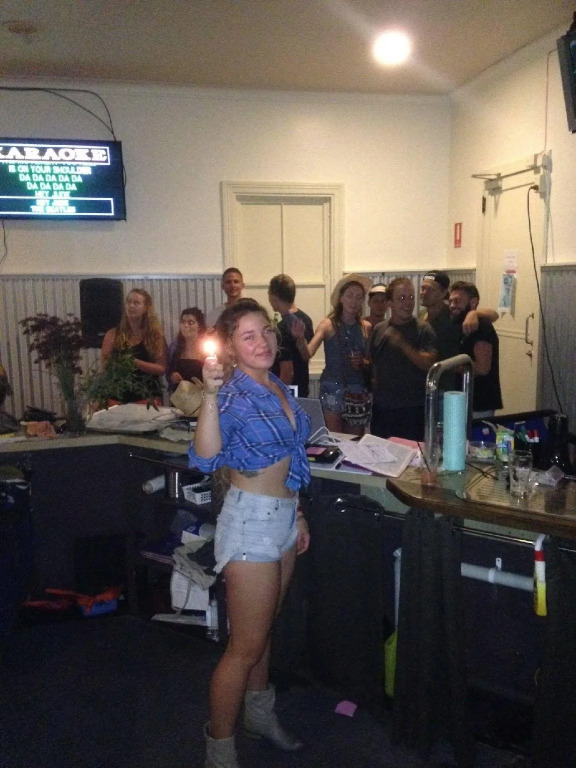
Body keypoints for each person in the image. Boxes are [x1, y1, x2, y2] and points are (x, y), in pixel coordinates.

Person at [189, 298, 311, 768]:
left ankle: (259, 717)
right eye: (248, 336)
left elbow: (291, 458)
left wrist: (298, 514)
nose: (262, 342)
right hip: (251, 524)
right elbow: (204, 458)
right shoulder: (231, 394)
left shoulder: (275, 384)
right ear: (232, 349)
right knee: (243, 649)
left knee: (262, 634)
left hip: (283, 518)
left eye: (266, 331)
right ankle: (219, 751)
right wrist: (209, 394)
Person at [297, 273, 372, 436]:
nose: (354, 301)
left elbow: (371, 362)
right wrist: (300, 338)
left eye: (359, 297)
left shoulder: (366, 327)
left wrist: (362, 362)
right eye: (350, 295)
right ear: (341, 298)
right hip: (332, 387)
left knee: (355, 441)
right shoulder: (327, 325)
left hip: (357, 389)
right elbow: (307, 353)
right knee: (335, 439)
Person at [369, 277, 437, 440]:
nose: (408, 303)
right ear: (389, 303)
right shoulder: (379, 329)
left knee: (411, 454)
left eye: (411, 297)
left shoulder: (423, 329)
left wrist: (402, 344)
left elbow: (429, 363)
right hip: (382, 408)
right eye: (401, 298)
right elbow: (373, 363)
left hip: (412, 409)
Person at [101, 288, 167, 404]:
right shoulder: (113, 334)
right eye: (129, 302)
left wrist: (136, 363)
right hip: (117, 397)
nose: (131, 306)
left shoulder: (155, 336)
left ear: (146, 308)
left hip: (146, 397)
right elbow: (105, 365)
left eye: (136, 303)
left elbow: (162, 368)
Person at [449, 281, 503, 419]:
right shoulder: (458, 322)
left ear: (473, 303)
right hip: (463, 400)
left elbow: (482, 368)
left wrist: (448, 366)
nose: (452, 305)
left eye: (457, 301)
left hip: (479, 402)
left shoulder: (481, 326)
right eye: (451, 301)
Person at [268, 273, 314, 397]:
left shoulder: (282, 328)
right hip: (302, 388)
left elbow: (287, 372)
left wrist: (278, 396)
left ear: (274, 298)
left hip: (289, 392)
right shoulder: (306, 319)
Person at [166, 307, 207, 392]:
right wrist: (172, 376)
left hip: (201, 395)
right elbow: (168, 372)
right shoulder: (175, 347)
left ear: (199, 326)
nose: (186, 325)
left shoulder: (207, 348)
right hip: (180, 396)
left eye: (191, 322)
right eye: (183, 322)